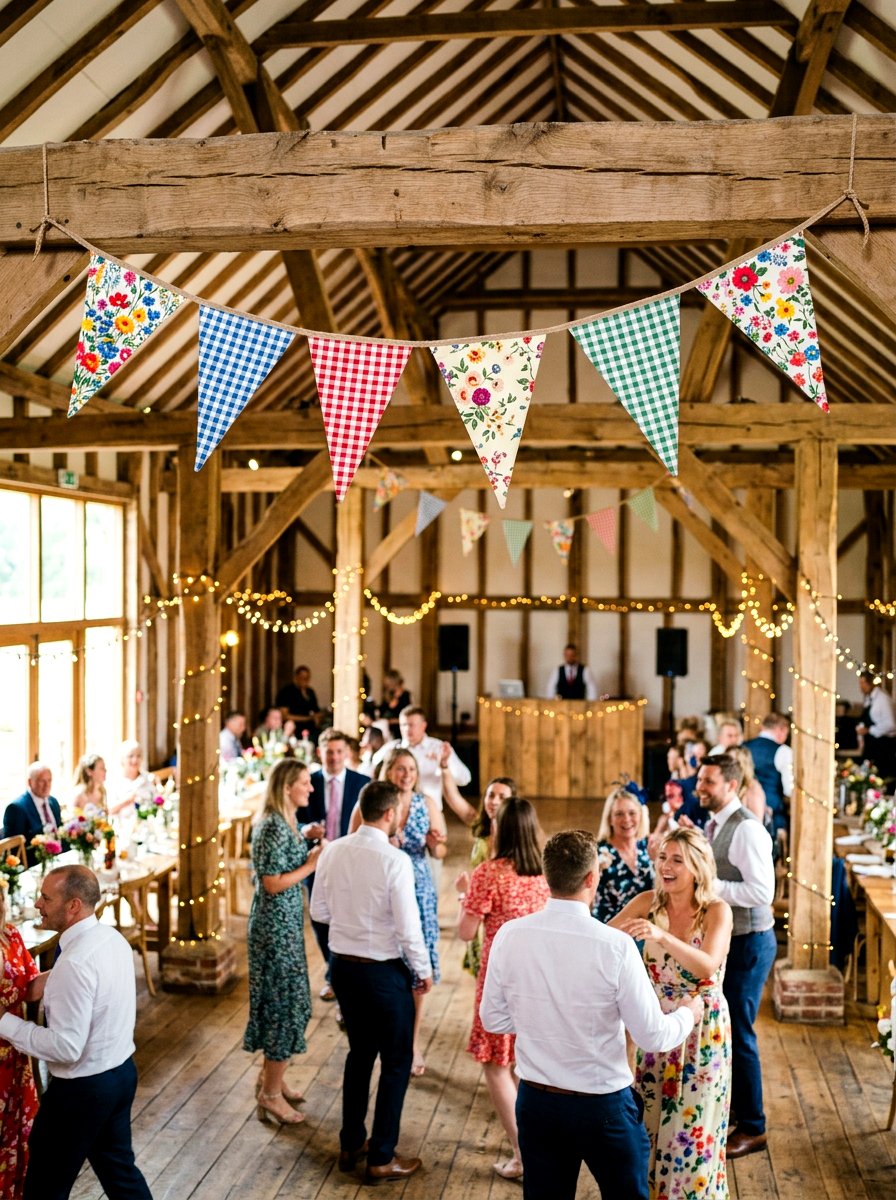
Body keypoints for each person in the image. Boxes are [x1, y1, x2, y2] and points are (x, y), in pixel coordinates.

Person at [480, 829, 703, 1200]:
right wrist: (688, 1015)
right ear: (591, 878)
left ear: (548, 876)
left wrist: (542, 1017)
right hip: (604, 1108)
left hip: (538, 1102)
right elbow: (653, 1037)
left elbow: (493, 1019)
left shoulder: (510, 935)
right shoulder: (615, 946)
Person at [0, 865, 152, 1199]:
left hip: (83, 1090)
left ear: (73, 906)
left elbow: (66, 1047)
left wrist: (5, 1023)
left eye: (45, 898)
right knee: (120, 1174)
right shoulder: (111, 939)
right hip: (121, 1074)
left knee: (44, 1187)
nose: (38, 904)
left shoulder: (75, 963)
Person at [310, 779, 432, 1184]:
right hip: (382, 971)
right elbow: (408, 928)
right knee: (396, 1060)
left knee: (359, 1053)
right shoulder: (394, 860)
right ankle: (381, 1156)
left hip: (344, 969)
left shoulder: (333, 851)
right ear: (391, 813)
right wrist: (423, 970)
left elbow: (320, 911)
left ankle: (350, 1143)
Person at [611, 828, 733, 1200]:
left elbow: (707, 965)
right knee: (649, 1124)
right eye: (663, 857)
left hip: (701, 1030)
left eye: (677, 859)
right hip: (654, 1027)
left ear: (697, 867)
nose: (665, 866)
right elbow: (603, 939)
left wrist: (662, 937)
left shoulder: (716, 910)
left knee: (692, 1134)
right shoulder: (647, 902)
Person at [457, 796, 550, 1182]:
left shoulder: (488, 873)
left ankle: (522, 1153)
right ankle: (539, 1146)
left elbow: (465, 932)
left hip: (500, 980)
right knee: (523, 1065)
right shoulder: (547, 874)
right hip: (540, 980)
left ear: (500, 829)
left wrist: (464, 895)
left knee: (496, 1065)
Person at [697, 753, 776, 1160]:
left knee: (741, 1034)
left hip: (751, 941)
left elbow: (763, 893)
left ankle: (754, 1128)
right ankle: (731, 1113)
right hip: (734, 938)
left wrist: (709, 886)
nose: (700, 787)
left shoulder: (746, 829)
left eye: (708, 782)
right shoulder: (717, 824)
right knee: (728, 1029)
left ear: (731, 785)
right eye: (700, 780)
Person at [350, 747, 446, 1076]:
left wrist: (435, 843)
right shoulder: (371, 805)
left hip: (418, 889)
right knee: (386, 966)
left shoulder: (426, 804)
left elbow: (441, 848)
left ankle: (412, 1043)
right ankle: (380, 1039)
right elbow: (353, 844)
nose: (406, 775)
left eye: (411, 770)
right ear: (388, 771)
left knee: (417, 973)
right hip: (378, 891)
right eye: (400, 769)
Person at [243, 759, 326, 1126]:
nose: (310, 788)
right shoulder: (271, 828)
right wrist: (311, 864)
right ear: (286, 787)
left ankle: (272, 1078)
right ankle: (271, 1095)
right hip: (273, 930)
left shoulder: (288, 823)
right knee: (283, 1005)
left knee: (288, 1000)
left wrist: (305, 838)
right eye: (304, 783)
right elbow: (272, 883)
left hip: (288, 925)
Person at [371, 705, 471, 894]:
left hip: (429, 815)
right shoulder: (393, 748)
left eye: (412, 725)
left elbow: (465, 778)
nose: (407, 729)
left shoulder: (438, 747)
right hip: (394, 813)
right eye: (403, 725)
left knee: (432, 867)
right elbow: (370, 768)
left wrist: (444, 763)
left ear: (423, 726)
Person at [306, 729, 368, 1002]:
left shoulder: (362, 783)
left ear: (347, 754)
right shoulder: (309, 782)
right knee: (319, 919)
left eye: (339, 752)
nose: (334, 757)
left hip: (351, 860)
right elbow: (296, 819)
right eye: (329, 752)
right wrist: (307, 829)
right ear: (320, 753)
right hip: (316, 861)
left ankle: (342, 976)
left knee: (347, 918)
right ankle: (333, 972)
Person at [450, 775, 517, 977]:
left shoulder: (515, 838)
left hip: (497, 912)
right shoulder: (483, 829)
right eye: (490, 795)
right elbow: (454, 800)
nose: (494, 801)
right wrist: (444, 769)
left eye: (502, 797)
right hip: (478, 904)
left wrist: (466, 892)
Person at [0, 881, 40, 1200]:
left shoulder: (12, 934)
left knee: (15, 1126)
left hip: (14, 1046)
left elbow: (29, 986)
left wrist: (73, 967)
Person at [592, 784, 654, 924]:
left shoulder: (649, 847)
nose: (626, 819)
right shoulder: (597, 853)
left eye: (632, 813)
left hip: (647, 929)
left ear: (640, 815)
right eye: (619, 814)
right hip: (610, 930)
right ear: (609, 819)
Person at [3, 762, 63, 866]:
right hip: (33, 865)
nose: (47, 785)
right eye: (42, 781)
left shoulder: (53, 802)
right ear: (30, 782)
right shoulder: (16, 808)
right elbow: (15, 851)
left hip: (57, 860)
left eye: (49, 780)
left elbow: (59, 832)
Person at [743, 712, 793, 834]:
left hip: (745, 809)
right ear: (781, 729)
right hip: (772, 814)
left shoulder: (743, 747)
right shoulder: (783, 751)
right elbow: (789, 789)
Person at [856, 670, 896, 777]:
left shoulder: (883, 699)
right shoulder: (870, 699)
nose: (861, 687)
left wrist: (869, 730)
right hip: (871, 747)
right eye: (860, 683)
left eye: (863, 683)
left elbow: (891, 725)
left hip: (883, 748)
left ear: (871, 683)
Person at [106, 741, 158, 817]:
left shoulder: (148, 777)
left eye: (138, 756)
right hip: (122, 826)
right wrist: (128, 800)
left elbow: (156, 802)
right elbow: (110, 810)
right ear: (122, 759)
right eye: (130, 756)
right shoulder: (114, 780)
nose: (135, 760)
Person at [275, 665, 321, 741]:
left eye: (307, 678)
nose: (305, 680)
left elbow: (316, 711)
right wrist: (307, 718)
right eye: (302, 678)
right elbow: (284, 715)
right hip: (293, 730)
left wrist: (317, 718)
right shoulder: (286, 692)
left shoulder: (310, 692)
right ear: (296, 677)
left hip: (310, 730)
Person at [729, 745, 768, 826]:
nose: (728, 766)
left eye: (733, 762)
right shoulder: (732, 785)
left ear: (743, 764)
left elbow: (757, 826)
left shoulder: (753, 789)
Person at [379, 669, 411, 739]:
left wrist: (389, 721)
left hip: (399, 731)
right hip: (386, 731)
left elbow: (408, 717)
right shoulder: (388, 695)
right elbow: (381, 712)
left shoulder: (406, 696)